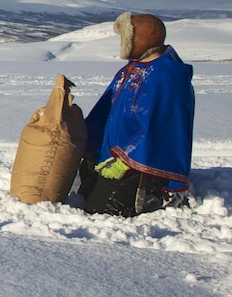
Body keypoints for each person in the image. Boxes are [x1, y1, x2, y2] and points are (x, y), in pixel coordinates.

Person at [78, 12, 195, 217]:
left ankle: (158, 196)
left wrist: (126, 161)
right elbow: (106, 110)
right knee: (83, 196)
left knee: (101, 212)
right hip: (110, 158)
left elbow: (161, 129)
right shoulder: (132, 69)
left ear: (140, 39)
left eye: (126, 38)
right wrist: (89, 145)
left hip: (140, 167)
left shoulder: (166, 77)